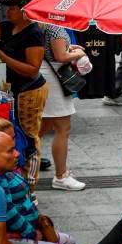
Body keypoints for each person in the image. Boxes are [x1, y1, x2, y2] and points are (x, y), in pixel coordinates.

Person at [0, 0, 49, 191]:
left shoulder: (34, 33)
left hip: (30, 91)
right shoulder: (7, 27)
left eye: (13, 8)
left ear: (25, 11)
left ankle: (30, 186)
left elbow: (32, 70)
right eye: (8, 7)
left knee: (29, 137)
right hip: (13, 90)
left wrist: (1, 55)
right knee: (14, 134)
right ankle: (17, 179)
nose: (8, 11)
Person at [39, 23, 87, 191]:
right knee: (63, 127)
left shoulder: (40, 25)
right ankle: (61, 176)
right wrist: (78, 53)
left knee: (42, 127)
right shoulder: (54, 27)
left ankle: (25, 163)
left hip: (44, 75)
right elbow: (60, 56)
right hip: (53, 79)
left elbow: (51, 49)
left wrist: (69, 46)